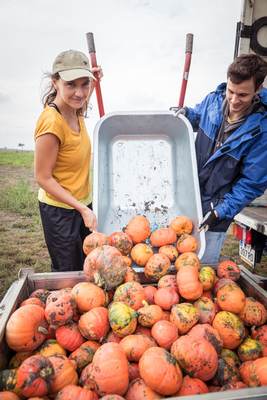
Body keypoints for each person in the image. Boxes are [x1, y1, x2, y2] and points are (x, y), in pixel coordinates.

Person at [173, 53, 267, 263]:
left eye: (242, 95)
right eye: (231, 91)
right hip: (186, 197)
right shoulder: (213, 100)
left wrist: (219, 212)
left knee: (201, 271)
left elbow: (251, 184)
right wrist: (186, 114)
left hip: (215, 214)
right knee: (171, 267)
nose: (234, 100)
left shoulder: (262, 132)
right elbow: (198, 116)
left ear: (258, 89)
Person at [34, 49, 103, 272]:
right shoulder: (52, 122)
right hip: (60, 210)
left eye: (85, 84)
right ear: (55, 82)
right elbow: (42, 178)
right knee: (69, 272)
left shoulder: (75, 109)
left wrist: (93, 80)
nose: (80, 92)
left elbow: (80, 97)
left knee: (89, 265)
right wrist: (82, 209)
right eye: (71, 84)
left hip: (82, 203)